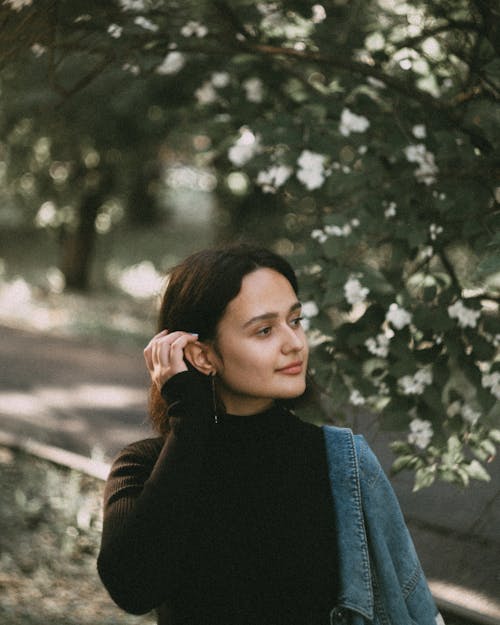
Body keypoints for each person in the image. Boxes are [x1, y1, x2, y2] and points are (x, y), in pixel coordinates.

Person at [97, 244, 443, 625]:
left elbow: (410, 606)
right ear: (201, 356)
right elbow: (133, 587)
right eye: (264, 330)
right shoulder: (145, 466)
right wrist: (189, 416)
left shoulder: (340, 463)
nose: (294, 343)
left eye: (295, 321)